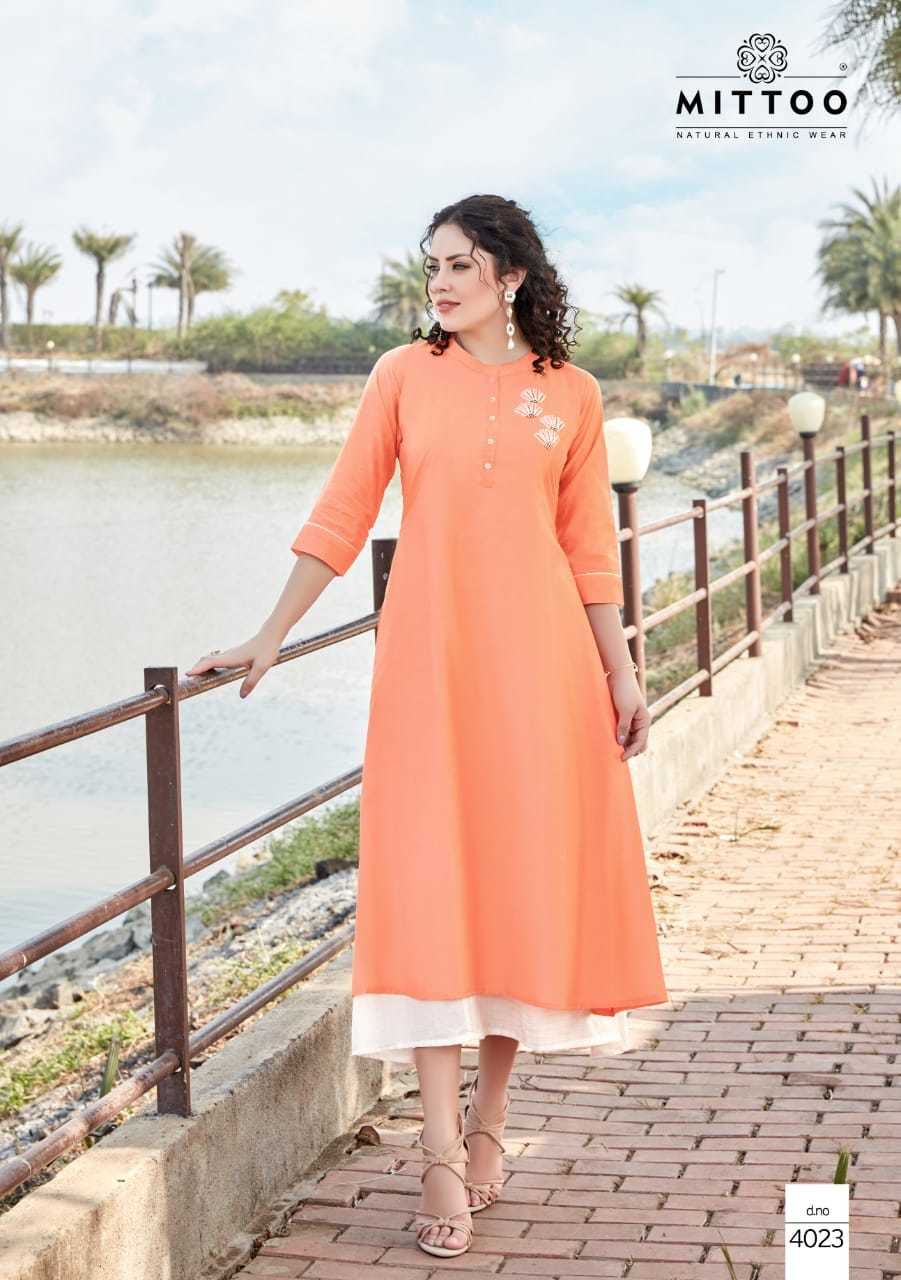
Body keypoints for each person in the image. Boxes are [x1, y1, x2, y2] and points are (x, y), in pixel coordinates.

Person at [186, 194, 668, 1259]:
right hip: (429, 673)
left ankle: (489, 1122)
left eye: (459, 265)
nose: (439, 283)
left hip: (542, 674)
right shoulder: (401, 376)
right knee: (433, 895)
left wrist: (620, 672)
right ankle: (439, 1149)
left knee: (514, 892)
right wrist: (268, 634)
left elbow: (589, 551)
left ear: (511, 277)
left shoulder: (573, 393)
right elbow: (343, 510)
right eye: (432, 266)